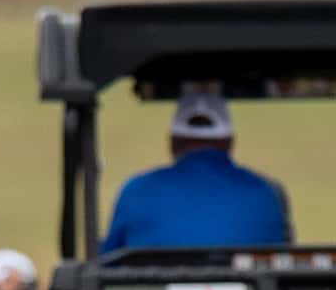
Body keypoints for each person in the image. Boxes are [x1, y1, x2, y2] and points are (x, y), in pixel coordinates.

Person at [99, 89, 292, 254]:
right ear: (229, 143)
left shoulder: (136, 191)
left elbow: (107, 262)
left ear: (172, 142)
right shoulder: (265, 194)